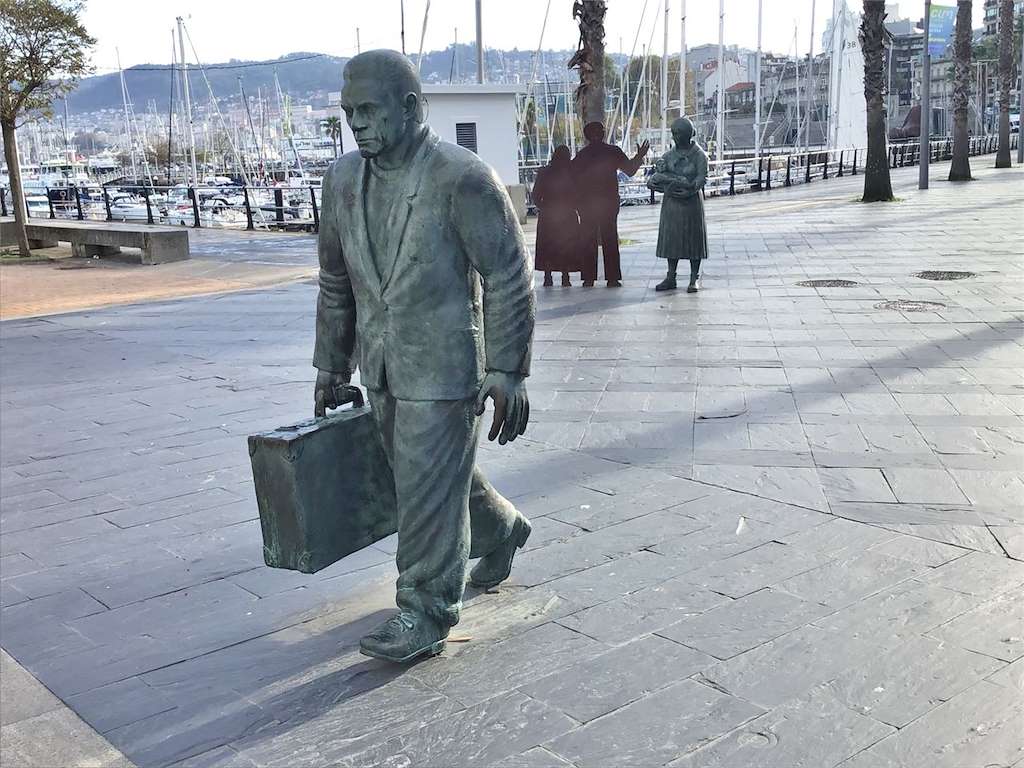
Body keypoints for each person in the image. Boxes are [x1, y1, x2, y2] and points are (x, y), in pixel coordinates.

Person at [314, 50, 536, 664]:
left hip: (445, 368)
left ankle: (424, 609)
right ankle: (502, 527)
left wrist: (508, 371)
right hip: (380, 362)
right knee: (429, 481)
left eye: (369, 110)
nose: (357, 124)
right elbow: (336, 282)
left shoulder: (460, 178)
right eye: (349, 112)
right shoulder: (340, 181)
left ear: (410, 108)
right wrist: (331, 365)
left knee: (423, 489)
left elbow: (508, 274)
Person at [571, 122, 649, 287]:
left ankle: (589, 278)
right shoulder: (612, 152)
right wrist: (639, 156)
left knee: (588, 240)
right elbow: (629, 170)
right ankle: (612, 278)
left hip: (587, 205)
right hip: (608, 203)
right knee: (610, 239)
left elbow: (572, 180)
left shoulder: (582, 155)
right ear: (603, 134)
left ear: (586, 136)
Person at [647, 117, 709, 293]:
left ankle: (693, 277)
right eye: (674, 133)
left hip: (691, 204)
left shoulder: (699, 155)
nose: (675, 136)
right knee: (671, 240)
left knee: (693, 241)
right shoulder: (668, 155)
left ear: (689, 134)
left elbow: (702, 177)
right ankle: (671, 276)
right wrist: (665, 189)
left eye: (679, 133)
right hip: (672, 204)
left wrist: (690, 190)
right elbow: (656, 176)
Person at [532, 145, 582, 287]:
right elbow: (578, 194)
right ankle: (565, 276)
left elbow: (535, 195)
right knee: (566, 246)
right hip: (568, 215)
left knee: (547, 246)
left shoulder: (544, 172)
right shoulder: (572, 173)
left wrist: (543, 208)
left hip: (548, 216)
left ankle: (548, 277)